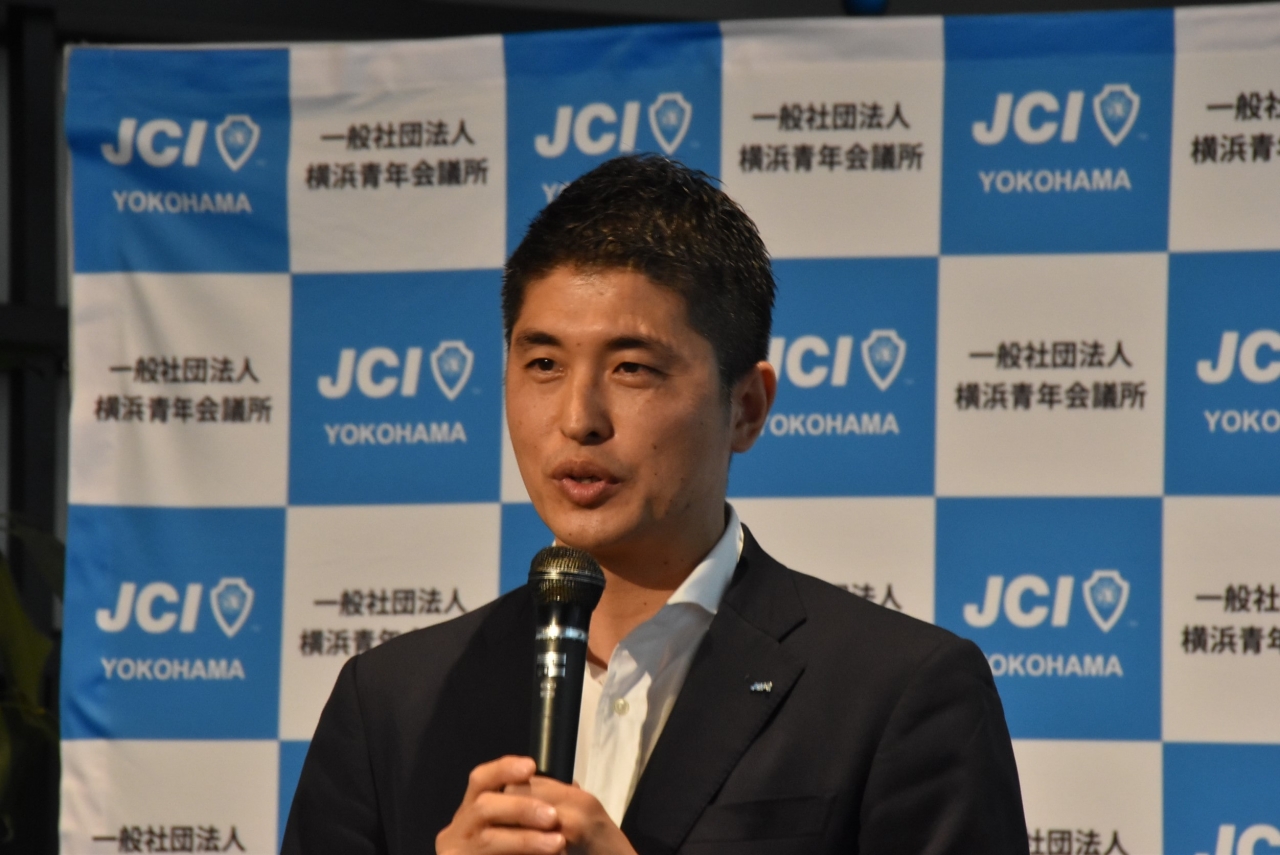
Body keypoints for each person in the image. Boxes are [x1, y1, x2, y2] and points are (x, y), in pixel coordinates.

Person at [283, 154, 1029, 855]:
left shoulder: (898, 690)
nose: (578, 418)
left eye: (632, 368)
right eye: (543, 362)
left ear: (746, 407)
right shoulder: (391, 702)